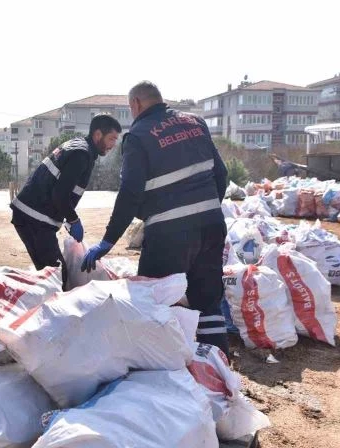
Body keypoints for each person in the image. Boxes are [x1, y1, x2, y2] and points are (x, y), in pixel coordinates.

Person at [82, 81, 230, 354]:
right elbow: (221, 175)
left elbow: (130, 192)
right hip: (211, 225)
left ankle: (159, 374)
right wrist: (205, 210)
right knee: (208, 301)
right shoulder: (196, 123)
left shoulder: (138, 135)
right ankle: (218, 373)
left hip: (169, 234)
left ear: (136, 104)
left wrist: (108, 240)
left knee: (154, 299)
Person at [11, 115, 121, 274]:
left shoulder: (78, 147)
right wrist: (73, 220)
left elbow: (62, 190)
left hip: (32, 215)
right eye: (111, 139)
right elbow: (60, 194)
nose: (113, 145)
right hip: (34, 218)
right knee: (57, 275)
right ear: (98, 135)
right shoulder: (81, 154)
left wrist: (68, 218)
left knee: (52, 273)